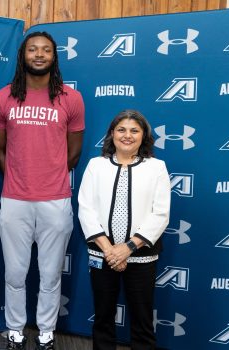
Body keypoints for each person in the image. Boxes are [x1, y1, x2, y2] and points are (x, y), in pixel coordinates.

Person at [0, 31, 85, 350]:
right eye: (33, 49)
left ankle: (46, 332)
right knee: (15, 273)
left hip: (55, 200)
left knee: (50, 274)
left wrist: (48, 175)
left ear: (54, 57)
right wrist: (19, 176)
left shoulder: (71, 98)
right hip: (15, 199)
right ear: (23, 55)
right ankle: (15, 330)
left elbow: (74, 152)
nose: (39, 54)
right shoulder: (2, 98)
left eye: (46, 50)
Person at [78, 110, 171, 350]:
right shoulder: (96, 165)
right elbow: (85, 208)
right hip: (103, 254)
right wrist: (111, 251)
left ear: (143, 136)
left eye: (134, 130)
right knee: (103, 317)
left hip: (141, 256)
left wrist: (127, 248)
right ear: (112, 134)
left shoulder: (156, 167)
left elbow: (160, 213)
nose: (127, 135)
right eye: (121, 129)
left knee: (142, 319)